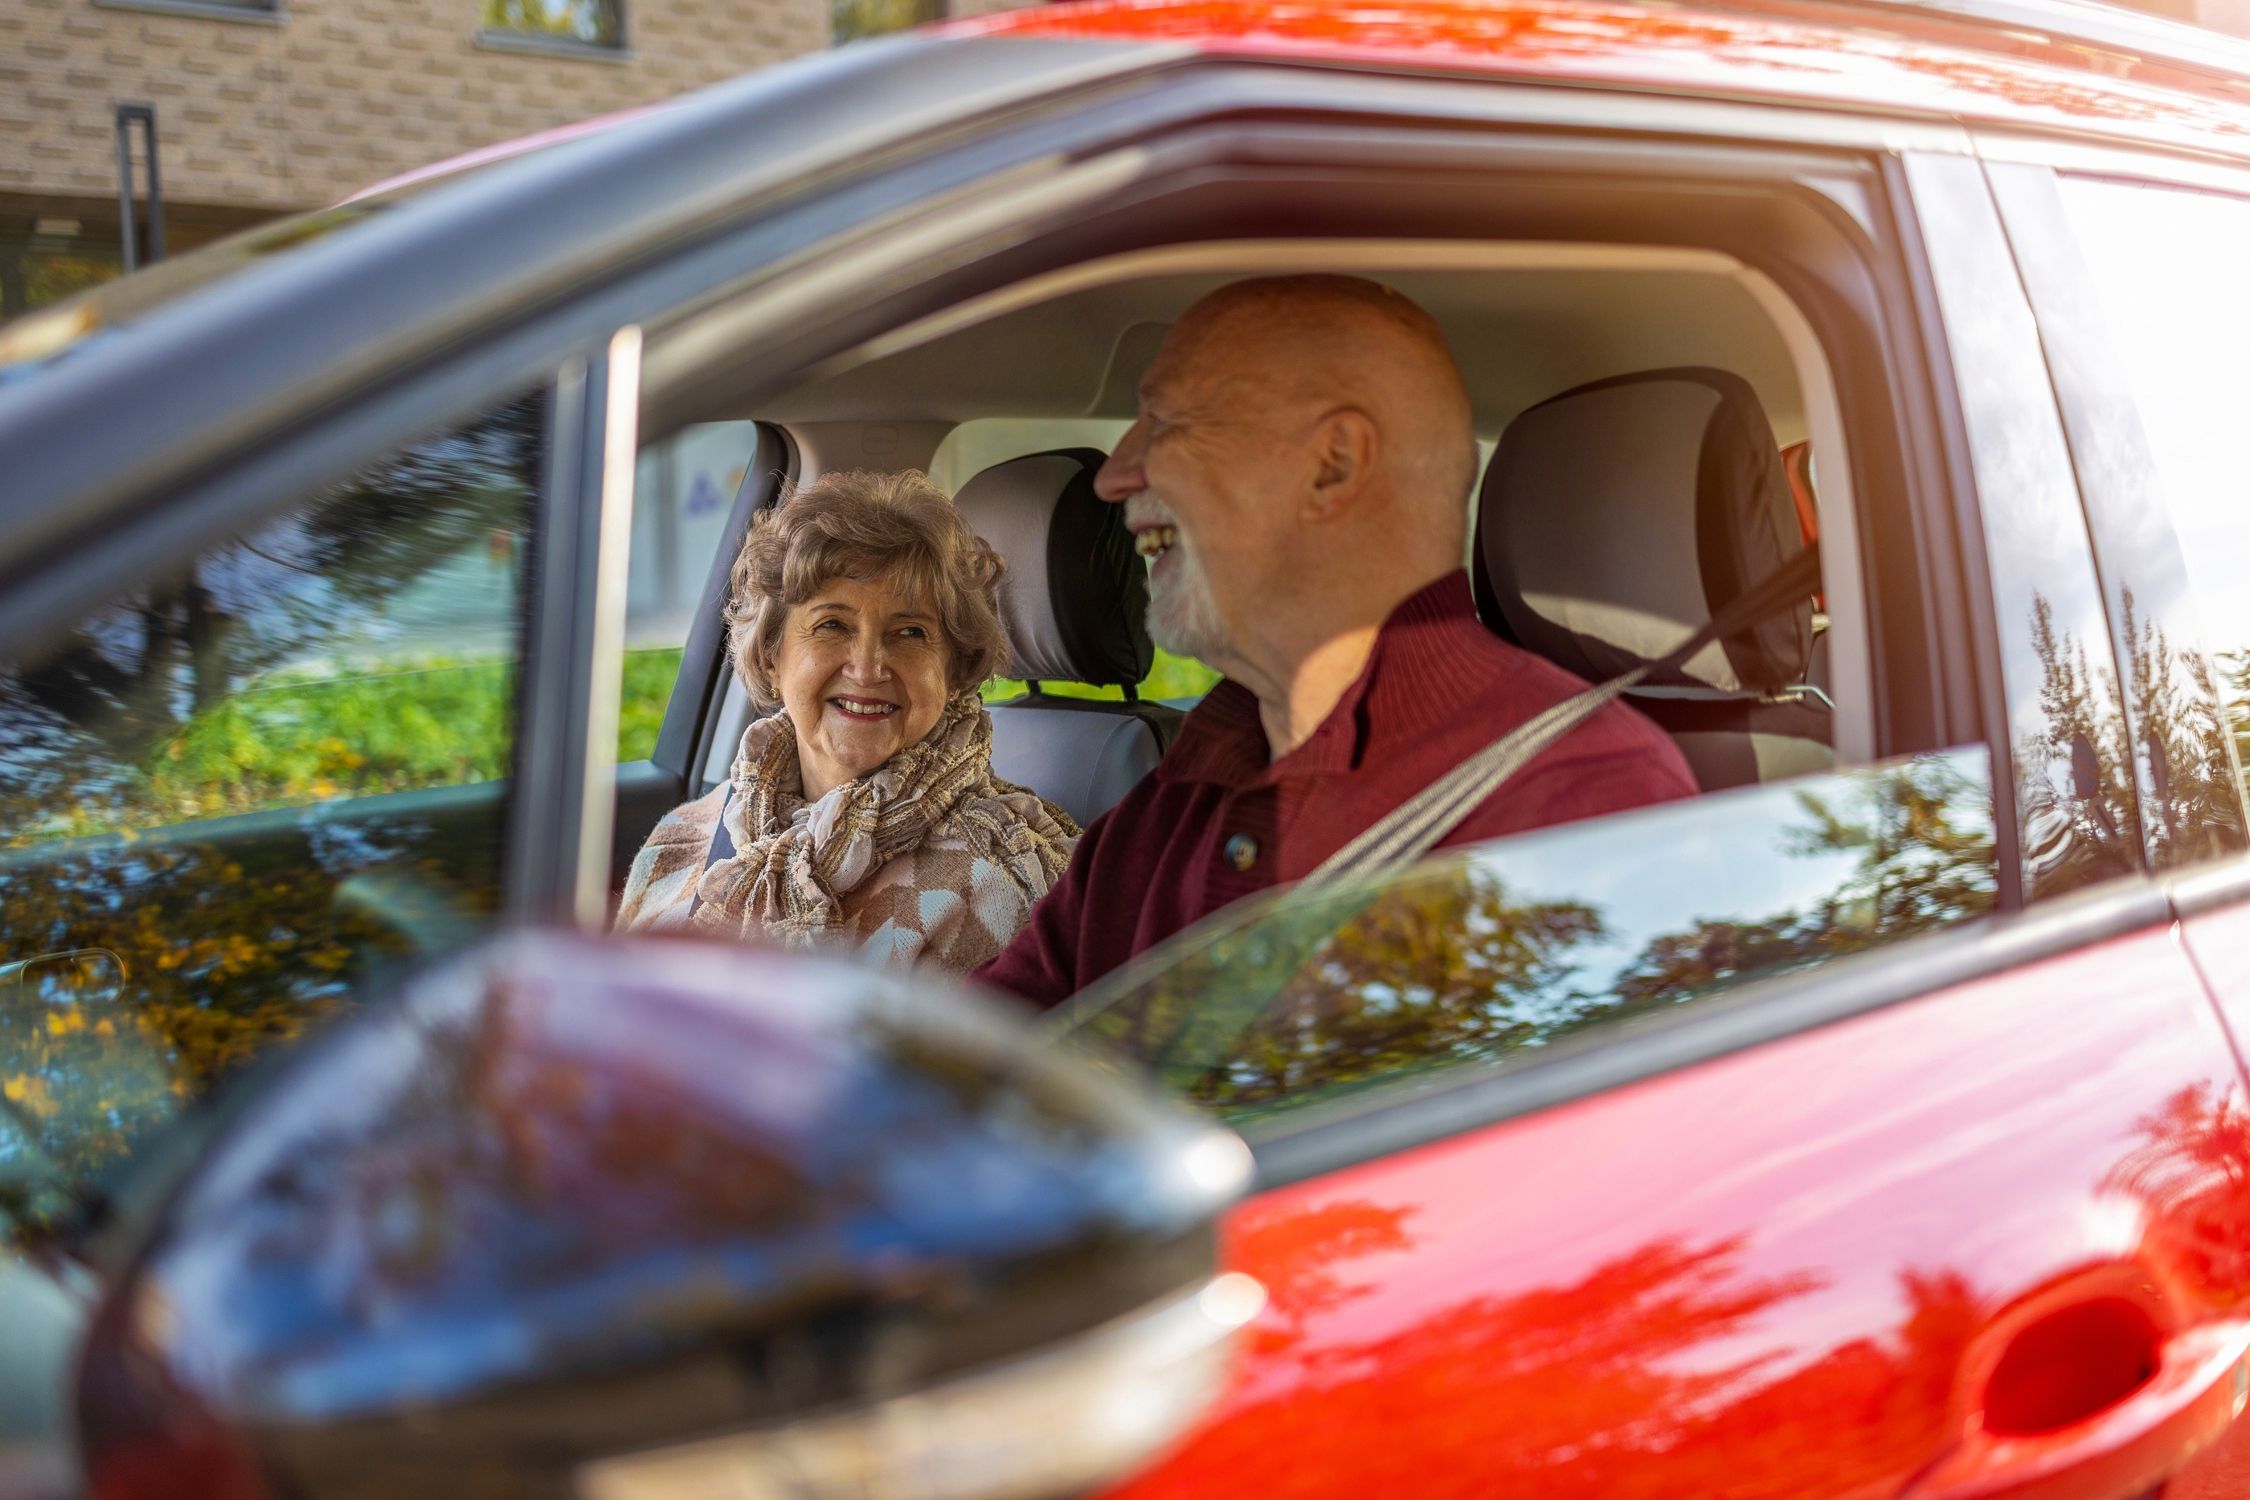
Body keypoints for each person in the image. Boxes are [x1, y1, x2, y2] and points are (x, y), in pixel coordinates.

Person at [974, 275, 1697, 1006]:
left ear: (1333, 465)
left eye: (1164, 422)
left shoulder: (1586, 799)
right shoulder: (1165, 806)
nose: (1115, 477)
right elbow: (972, 1073)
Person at [618, 470, 1079, 973]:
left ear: (953, 670)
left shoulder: (1004, 880)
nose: (868, 667)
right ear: (772, 656)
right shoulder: (684, 837)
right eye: (831, 625)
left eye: (909, 631)